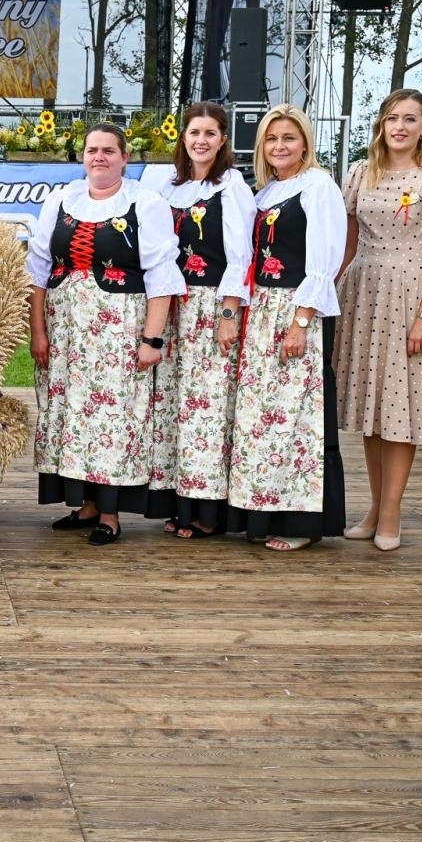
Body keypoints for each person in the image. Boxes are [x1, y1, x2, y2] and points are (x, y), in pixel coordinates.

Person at [28, 123, 185, 546]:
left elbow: (161, 276)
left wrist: (152, 339)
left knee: (112, 416)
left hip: (117, 328)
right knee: (68, 415)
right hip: (65, 330)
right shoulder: (61, 199)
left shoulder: (144, 204)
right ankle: (85, 505)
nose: (99, 157)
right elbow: (38, 271)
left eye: (108, 151)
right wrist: (37, 330)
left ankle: (111, 513)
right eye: (92, 150)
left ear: (124, 158)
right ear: (83, 157)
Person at [334, 89, 422, 552]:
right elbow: (347, 246)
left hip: (411, 293)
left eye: (411, 119)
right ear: (381, 125)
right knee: (371, 411)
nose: (401, 127)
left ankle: (392, 509)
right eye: (392, 118)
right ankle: (373, 505)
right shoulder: (358, 172)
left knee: (400, 409)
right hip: (363, 294)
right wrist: (327, 296)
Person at [227, 104, 347, 551]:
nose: (280, 146)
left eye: (289, 138)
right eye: (272, 139)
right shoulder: (265, 192)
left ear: (305, 143)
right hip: (262, 308)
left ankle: (300, 524)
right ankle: (261, 511)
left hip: (297, 308)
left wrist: (300, 323)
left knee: (297, 418)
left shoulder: (318, 187)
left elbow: (323, 259)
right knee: (262, 418)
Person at [150, 103, 254, 540]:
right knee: (175, 407)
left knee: (207, 410)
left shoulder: (231, 187)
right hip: (173, 305)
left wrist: (228, 314)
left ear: (223, 140)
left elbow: (240, 255)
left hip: (210, 304)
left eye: (211, 133)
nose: (201, 141)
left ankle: (208, 510)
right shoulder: (166, 186)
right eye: (195, 132)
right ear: (184, 137)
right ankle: (180, 500)